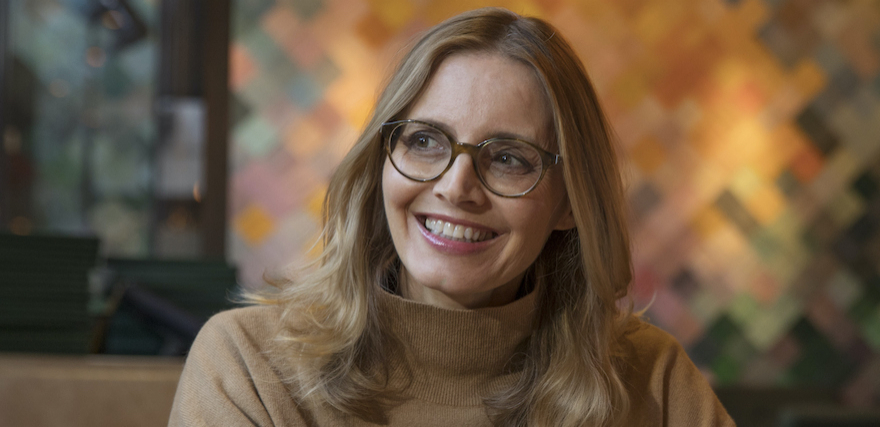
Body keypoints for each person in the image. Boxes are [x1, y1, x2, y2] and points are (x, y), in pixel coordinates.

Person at [169, 8, 734, 426]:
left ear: (569, 203)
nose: (456, 187)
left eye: (508, 158)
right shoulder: (250, 365)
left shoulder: (653, 383)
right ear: (381, 162)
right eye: (424, 141)